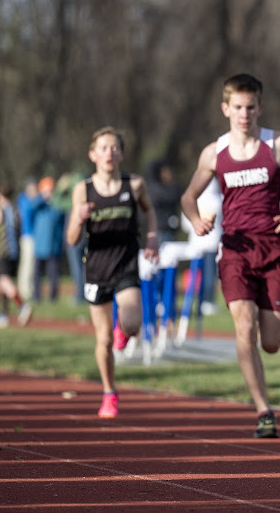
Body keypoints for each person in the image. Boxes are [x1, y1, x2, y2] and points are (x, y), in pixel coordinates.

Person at [181, 73, 280, 438]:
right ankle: (263, 410)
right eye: (237, 107)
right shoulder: (214, 153)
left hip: (273, 249)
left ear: (260, 107)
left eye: (250, 107)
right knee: (244, 325)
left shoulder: (279, 145)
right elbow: (188, 196)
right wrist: (197, 222)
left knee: (270, 342)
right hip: (235, 249)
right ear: (226, 109)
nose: (244, 114)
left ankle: (264, 398)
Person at [67, 126, 159, 418]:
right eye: (103, 148)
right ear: (93, 154)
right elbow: (71, 239)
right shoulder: (83, 189)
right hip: (95, 270)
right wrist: (79, 219)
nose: (109, 153)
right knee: (104, 340)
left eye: (114, 148)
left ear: (121, 153)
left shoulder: (134, 185)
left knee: (132, 323)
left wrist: (152, 237)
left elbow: (149, 211)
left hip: (126, 265)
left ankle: (125, 330)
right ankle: (109, 392)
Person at [0, 183, 33, 328]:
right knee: (4, 283)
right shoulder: (16, 210)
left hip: (3, 252)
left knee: (4, 282)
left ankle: (23, 307)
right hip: (15, 252)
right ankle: (4, 314)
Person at [180, 177, 223, 315]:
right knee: (210, 275)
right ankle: (208, 302)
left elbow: (186, 225)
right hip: (212, 242)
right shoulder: (219, 200)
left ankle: (192, 301)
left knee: (195, 274)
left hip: (196, 243)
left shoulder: (193, 200)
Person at [54, 172, 87, 304]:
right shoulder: (89, 196)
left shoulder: (72, 201)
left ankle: (80, 296)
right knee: (85, 266)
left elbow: (55, 202)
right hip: (87, 236)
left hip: (75, 236)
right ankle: (85, 294)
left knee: (77, 266)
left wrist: (59, 189)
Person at [32, 177, 66, 302]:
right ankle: (36, 296)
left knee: (54, 274)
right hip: (40, 247)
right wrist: (42, 197)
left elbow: (63, 223)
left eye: (50, 190)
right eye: (46, 190)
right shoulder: (39, 205)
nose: (49, 193)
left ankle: (53, 297)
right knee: (37, 274)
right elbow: (31, 206)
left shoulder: (58, 205)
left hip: (54, 246)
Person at [146, 160, 184, 246]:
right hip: (162, 231)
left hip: (166, 230)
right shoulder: (156, 189)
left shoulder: (153, 188)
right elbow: (175, 196)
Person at [16, 178, 38, 301]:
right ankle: (25, 290)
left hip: (33, 235)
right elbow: (28, 211)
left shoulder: (26, 199)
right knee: (27, 263)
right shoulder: (24, 200)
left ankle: (28, 288)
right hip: (28, 235)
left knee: (31, 264)